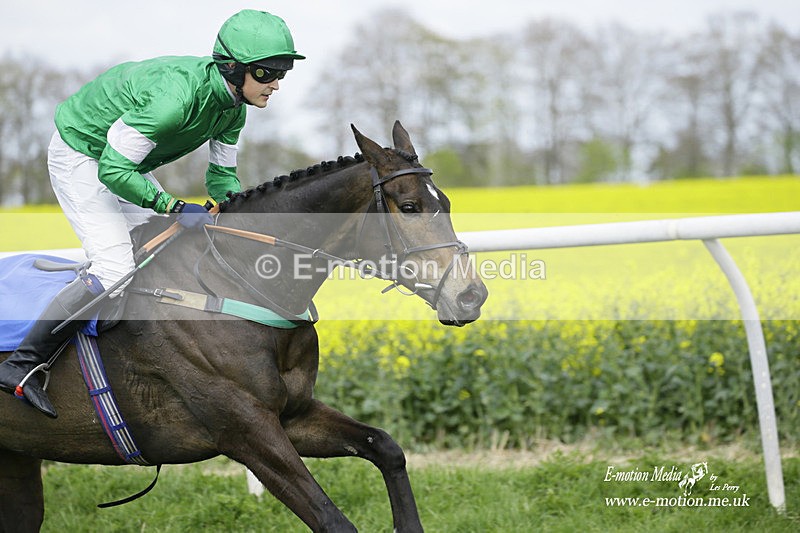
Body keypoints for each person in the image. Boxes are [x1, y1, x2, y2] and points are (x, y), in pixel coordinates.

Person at [0, 9, 305, 418]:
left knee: (165, 245)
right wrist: (173, 206)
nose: (277, 83)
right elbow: (111, 169)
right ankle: (20, 367)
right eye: (268, 72)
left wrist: (234, 212)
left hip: (122, 162)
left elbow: (221, 177)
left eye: (283, 71)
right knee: (113, 267)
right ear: (233, 68)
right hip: (82, 154)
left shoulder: (234, 108)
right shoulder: (173, 102)